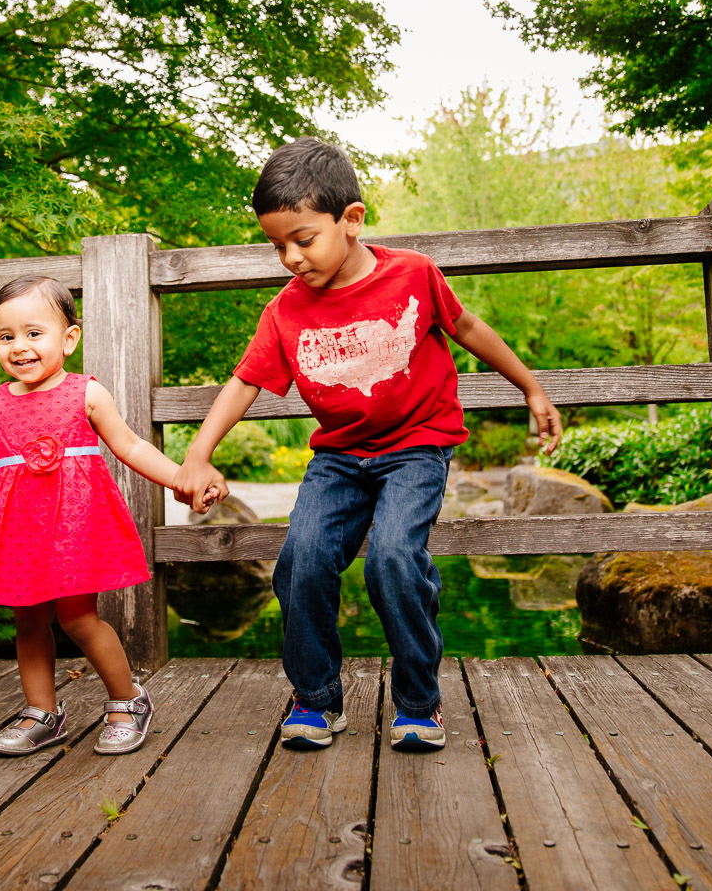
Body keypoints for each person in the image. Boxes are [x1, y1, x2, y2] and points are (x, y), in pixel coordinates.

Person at [171, 138, 563, 752]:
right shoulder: (285, 312)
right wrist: (198, 454)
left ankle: (417, 703)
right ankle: (318, 700)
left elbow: (466, 327)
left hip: (417, 447)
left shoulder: (412, 275)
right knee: (300, 561)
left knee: (392, 559)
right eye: (277, 246)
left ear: (351, 220)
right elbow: (245, 381)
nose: (290, 258)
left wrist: (531, 388)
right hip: (340, 459)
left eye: (303, 239)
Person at [0, 275, 214, 757]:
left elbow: (132, 446)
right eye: (6, 336)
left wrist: (182, 477)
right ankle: (43, 712)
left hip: (74, 526)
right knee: (29, 620)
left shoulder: (85, 394)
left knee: (78, 618)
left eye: (34, 333)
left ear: (68, 338)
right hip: (18, 530)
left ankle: (128, 699)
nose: (19, 347)